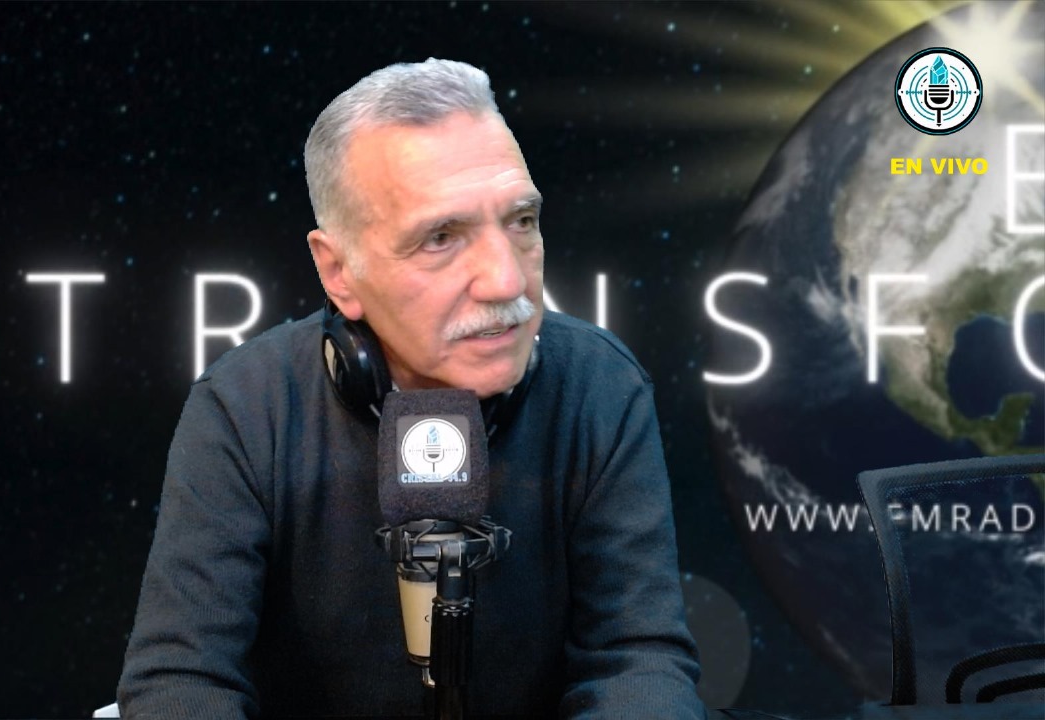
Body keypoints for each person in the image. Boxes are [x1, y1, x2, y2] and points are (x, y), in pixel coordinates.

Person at [119, 58, 703, 719]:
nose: (507, 281)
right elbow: (181, 678)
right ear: (338, 272)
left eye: (521, 221)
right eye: (441, 238)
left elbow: (638, 660)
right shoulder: (246, 405)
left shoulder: (601, 385)